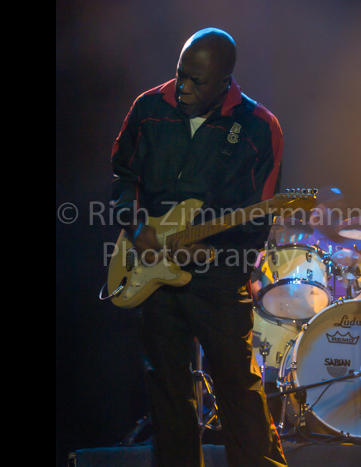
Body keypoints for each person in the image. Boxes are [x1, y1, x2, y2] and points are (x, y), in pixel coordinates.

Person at [110, 29, 288, 467]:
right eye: (180, 75)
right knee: (168, 392)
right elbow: (122, 177)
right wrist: (137, 230)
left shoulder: (259, 127)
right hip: (151, 271)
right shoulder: (149, 107)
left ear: (225, 79)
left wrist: (212, 255)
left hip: (219, 281)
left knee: (237, 390)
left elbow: (258, 218)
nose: (183, 88)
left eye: (197, 82)